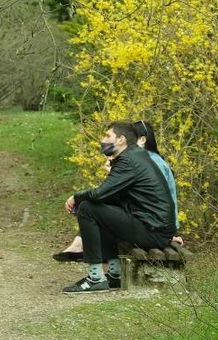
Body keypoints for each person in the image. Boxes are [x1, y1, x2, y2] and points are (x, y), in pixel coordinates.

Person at [62, 121, 177, 293]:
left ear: (121, 139)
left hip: (153, 231)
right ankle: (114, 275)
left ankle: (95, 278)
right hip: (153, 227)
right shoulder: (135, 156)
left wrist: (75, 198)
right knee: (100, 207)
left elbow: (100, 193)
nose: (103, 140)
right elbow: (109, 196)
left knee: (87, 207)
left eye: (108, 136)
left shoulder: (129, 160)